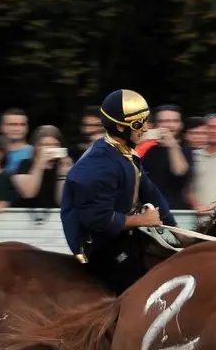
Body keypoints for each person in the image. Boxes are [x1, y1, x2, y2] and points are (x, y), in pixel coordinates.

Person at [60, 89, 179, 295]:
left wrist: (176, 230)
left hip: (122, 234)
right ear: (119, 127)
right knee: (140, 291)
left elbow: (149, 190)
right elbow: (97, 220)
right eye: (139, 123)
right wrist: (142, 220)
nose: (146, 128)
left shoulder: (124, 151)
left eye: (146, 120)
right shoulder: (98, 165)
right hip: (97, 244)